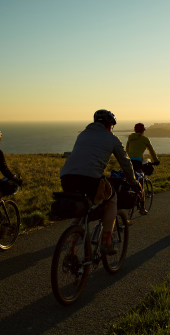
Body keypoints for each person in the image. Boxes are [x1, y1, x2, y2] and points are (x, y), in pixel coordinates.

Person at [60, 109, 140, 255]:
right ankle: (106, 241)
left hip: (66, 177)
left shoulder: (83, 134)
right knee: (112, 199)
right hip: (90, 178)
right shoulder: (112, 138)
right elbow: (125, 163)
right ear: (110, 125)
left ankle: (70, 244)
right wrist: (133, 182)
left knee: (81, 205)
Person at [125, 122, 160, 215]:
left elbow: (127, 149)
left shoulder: (130, 137)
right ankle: (142, 207)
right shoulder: (145, 139)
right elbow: (151, 151)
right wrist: (156, 160)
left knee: (128, 176)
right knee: (141, 183)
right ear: (143, 131)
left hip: (128, 160)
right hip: (137, 161)